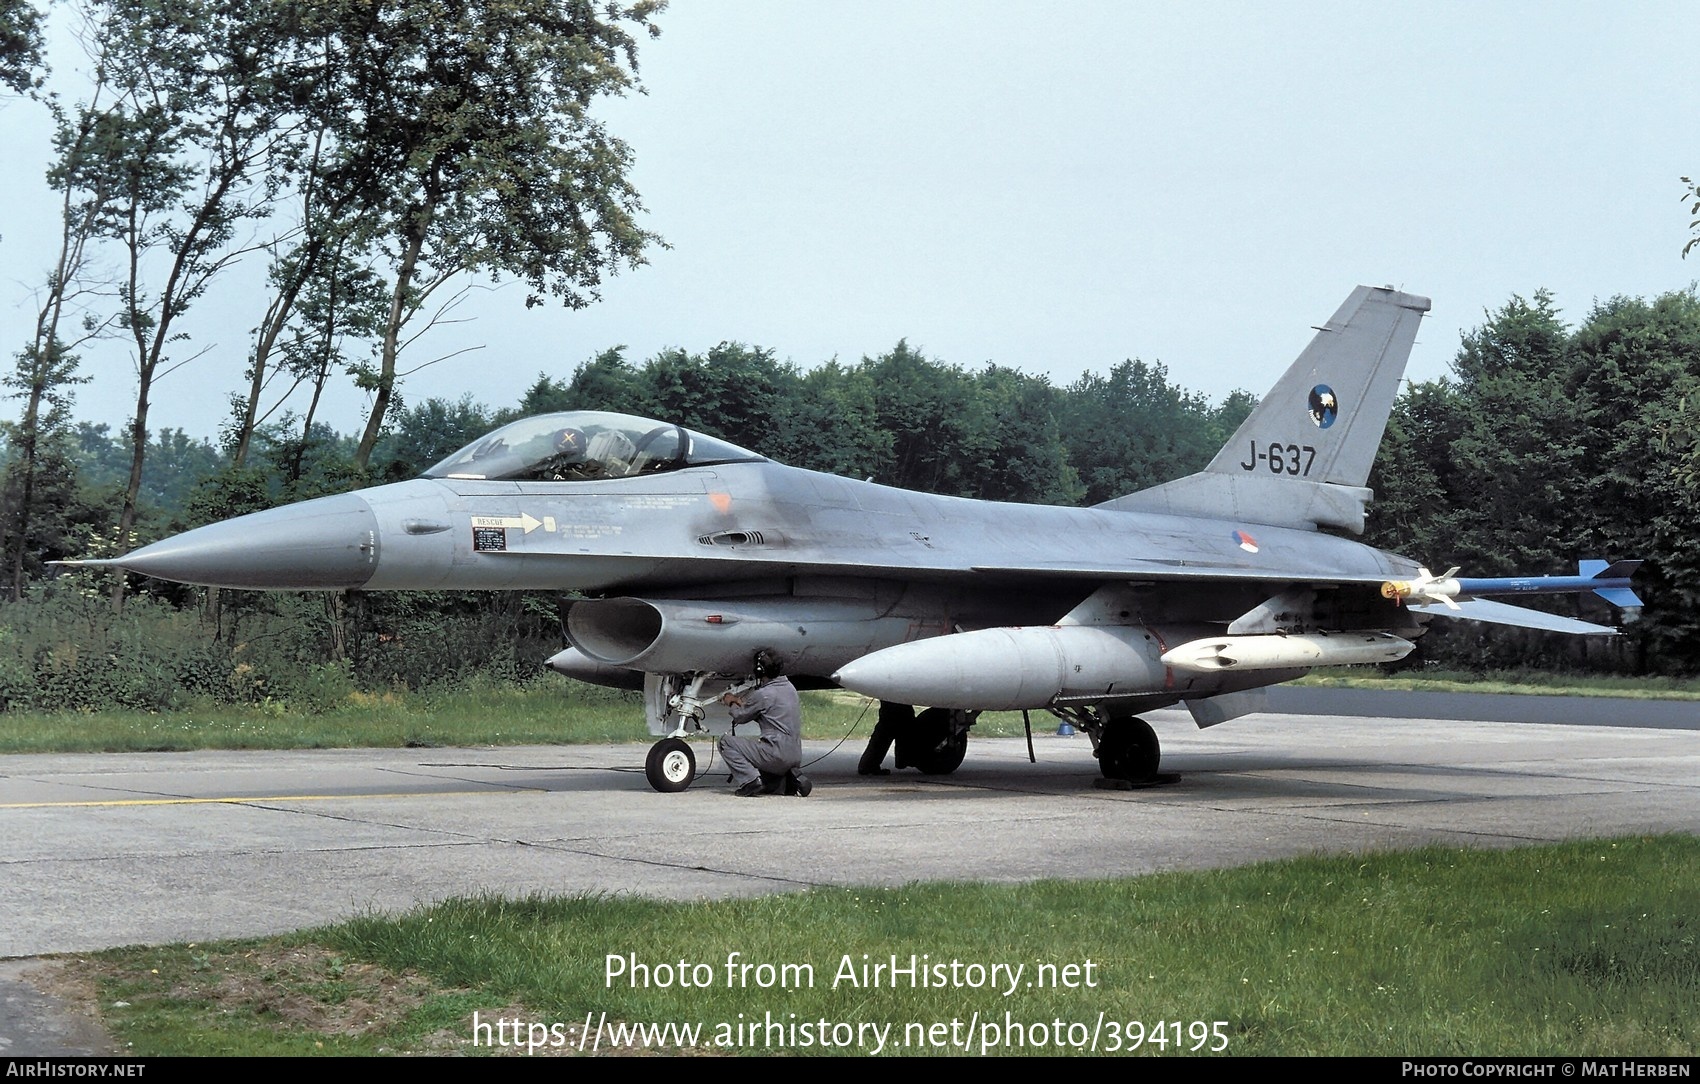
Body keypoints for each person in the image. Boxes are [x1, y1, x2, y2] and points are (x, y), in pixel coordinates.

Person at [718, 648, 812, 797]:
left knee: (725, 742)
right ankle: (786, 780)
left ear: (759, 671)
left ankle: (750, 781)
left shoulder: (763, 694)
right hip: (795, 755)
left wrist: (732, 701)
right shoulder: (790, 688)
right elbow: (771, 714)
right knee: (767, 771)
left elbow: (740, 717)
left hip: (776, 754)